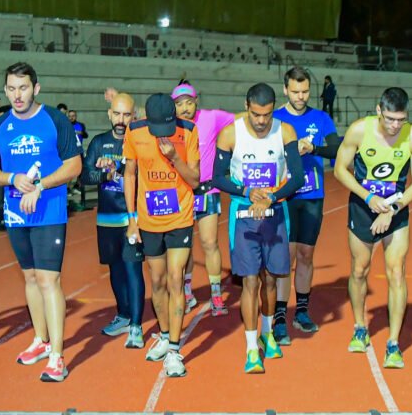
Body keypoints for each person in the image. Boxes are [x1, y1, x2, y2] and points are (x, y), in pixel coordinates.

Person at [0, 62, 82, 382]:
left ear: (36, 88)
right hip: (14, 212)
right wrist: (13, 178)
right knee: (29, 278)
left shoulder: (54, 120)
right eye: (11, 88)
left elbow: (74, 165)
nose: (17, 95)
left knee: (49, 280)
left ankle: (57, 357)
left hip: (49, 210)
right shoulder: (0, 127)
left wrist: (40, 186)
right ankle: (41, 340)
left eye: (23, 88)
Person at [211, 83, 304, 373]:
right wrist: (247, 190)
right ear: (246, 106)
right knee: (250, 281)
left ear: (273, 109)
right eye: (256, 114)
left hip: (275, 213)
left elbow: (298, 177)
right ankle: (252, 348)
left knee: (272, 279)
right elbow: (218, 178)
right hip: (244, 215)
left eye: (266, 115)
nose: (261, 121)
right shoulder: (230, 134)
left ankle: (267, 331)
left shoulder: (285, 131)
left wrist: (273, 197)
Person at [334, 87, 412, 370]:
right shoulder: (359, 131)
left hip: (396, 210)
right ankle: (360, 327)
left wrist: (393, 209)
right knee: (360, 269)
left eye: (400, 119)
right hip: (363, 207)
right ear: (378, 110)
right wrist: (369, 198)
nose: (395, 125)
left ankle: (394, 343)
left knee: (396, 271)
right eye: (389, 118)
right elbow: (340, 169)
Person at [124, 93, 200, 378]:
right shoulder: (134, 132)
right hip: (148, 219)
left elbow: (194, 179)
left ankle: (174, 351)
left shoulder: (189, 131)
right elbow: (130, 174)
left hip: (180, 216)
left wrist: (174, 158)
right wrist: (132, 218)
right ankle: (166, 335)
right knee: (157, 281)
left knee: (175, 278)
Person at [272, 67, 341, 343]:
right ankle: (279, 315)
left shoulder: (321, 118)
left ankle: (301, 311)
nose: (300, 97)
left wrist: (313, 148)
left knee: (306, 255)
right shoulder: (276, 118)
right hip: (285, 196)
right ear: (285, 90)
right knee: (285, 257)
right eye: (295, 92)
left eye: (305, 92)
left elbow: (336, 149)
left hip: (312, 196)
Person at [80, 92, 145, 348]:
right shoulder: (98, 142)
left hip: (131, 218)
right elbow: (84, 176)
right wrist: (103, 175)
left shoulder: (139, 141)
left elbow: (141, 176)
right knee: (115, 271)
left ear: (134, 115)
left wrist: (117, 169)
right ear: (109, 114)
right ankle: (124, 315)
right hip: (106, 220)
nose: (121, 119)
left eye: (126, 114)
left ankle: (137, 326)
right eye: (117, 114)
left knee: (132, 269)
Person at [171, 80, 234, 316]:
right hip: (181, 194)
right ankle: (187, 293)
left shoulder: (212, 117)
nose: (185, 108)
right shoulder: (172, 126)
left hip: (207, 191)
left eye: (189, 102)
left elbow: (240, 120)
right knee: (183, 247)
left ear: (196, 101)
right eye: (179, 104)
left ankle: (216, 295)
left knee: (209, 243)